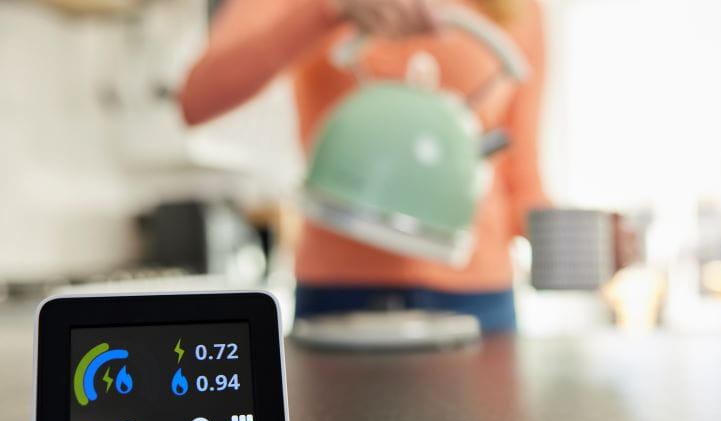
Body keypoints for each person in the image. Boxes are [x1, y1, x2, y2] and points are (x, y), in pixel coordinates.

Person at [180, 0, 548, 333]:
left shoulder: (518, 9)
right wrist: (328, 10)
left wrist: (572, 239)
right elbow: (197, 99)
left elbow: (520, 173)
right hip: (340, 291)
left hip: (479, 295)